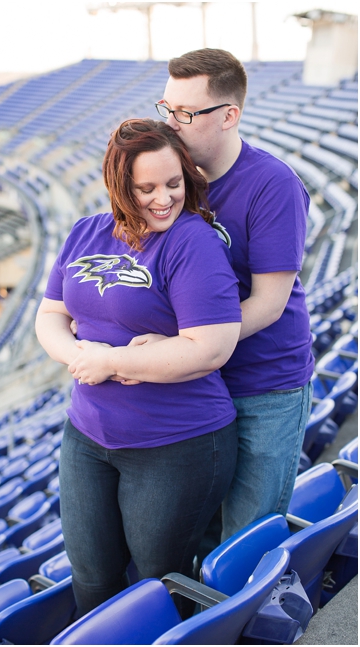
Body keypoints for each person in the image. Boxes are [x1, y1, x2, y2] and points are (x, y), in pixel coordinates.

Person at [35, 119, 241, 616]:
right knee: (91, 575)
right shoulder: (85, 232)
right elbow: (49, 317)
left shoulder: (193, 241)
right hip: (87, 435)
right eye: (145, 188)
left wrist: (113, 360)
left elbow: (211, 347)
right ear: (119, 185)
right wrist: (85, 360)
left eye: (174, 183)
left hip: (176, 443)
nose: (163, 198)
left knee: (158, 580)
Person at [152, 48, 314, 545]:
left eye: (186, 113)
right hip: (199, 382)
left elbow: (268, 302)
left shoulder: (273, 185)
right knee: (193, 531)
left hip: (265, 384)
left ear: (229, 115)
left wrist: (192, 345)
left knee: (246, 533)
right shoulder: (171, 185)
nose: (172, 124)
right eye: (166, 109)